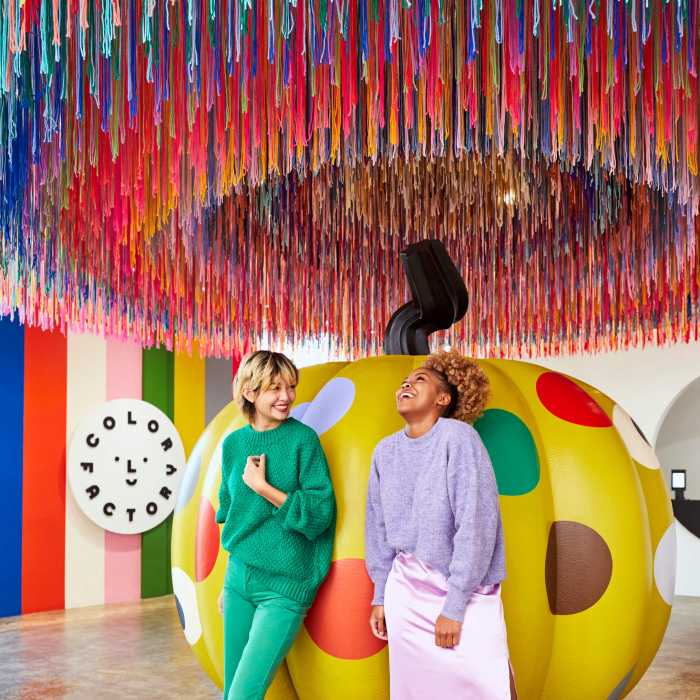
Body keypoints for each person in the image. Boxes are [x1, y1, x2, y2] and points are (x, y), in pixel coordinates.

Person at [365, 350, 513, 699]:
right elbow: (377, 528)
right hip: (406, 591)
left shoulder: (458, 438)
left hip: (463, 592)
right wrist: (380, 595)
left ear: (443, 399)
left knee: (486, 684)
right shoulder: (384, 451)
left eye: (420, 380)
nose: (407, 384)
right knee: (417, 690)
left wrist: (455, 605)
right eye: (405, 381)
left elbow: (476, 523)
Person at [216, 350, 336, 700]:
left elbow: (320, 514)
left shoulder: (303, 440)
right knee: (231, 689)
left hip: (284, 586)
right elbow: (231, 514)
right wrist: (227, 583)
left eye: (290, 386)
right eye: (275, 388)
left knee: (243, 694)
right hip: (239, 578)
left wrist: (264, 488)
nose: (287, 396)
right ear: (250, 392)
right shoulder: (233, 444)